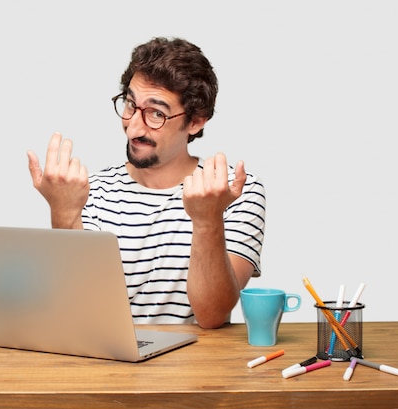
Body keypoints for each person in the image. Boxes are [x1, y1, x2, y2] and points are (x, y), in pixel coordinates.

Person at [27, 37, 266, 329]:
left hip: (197, 371)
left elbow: (212, 316)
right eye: (130, 104)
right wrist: (64, 213)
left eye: (156, 113)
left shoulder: (231, 191)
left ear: (196, 121)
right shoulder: (91, 192)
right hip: (109, 367)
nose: (134, 127)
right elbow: (80, 314)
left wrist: (207, 220)